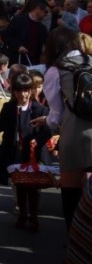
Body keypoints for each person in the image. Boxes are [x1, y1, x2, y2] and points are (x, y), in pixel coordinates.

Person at [0, 72, 51, 231]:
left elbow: (48, 131)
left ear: (31, 90)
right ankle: (22, 215)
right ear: (13, 91)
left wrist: (37, 140)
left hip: (33, 153)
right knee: (19, 184)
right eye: (19, 90)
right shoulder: (9, 108)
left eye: (26, 90)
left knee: (32, 187)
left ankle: (33, 217)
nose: (23, 94)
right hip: (15, 152)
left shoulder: (39, 109)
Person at [39, 27, 90, 230]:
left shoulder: (56, 70)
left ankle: (74, 236)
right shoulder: (90, 60)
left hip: (74, 132)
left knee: (71, 191)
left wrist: (46, 121)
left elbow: (56, 115)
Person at [2, 0, 50, 65]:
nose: (47, 14)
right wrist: (18, 46)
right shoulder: (18, 20)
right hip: (18, 59)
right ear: (38, 9)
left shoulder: (42, 27)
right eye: (46, 12)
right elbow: (6, 36)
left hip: (34, 62)